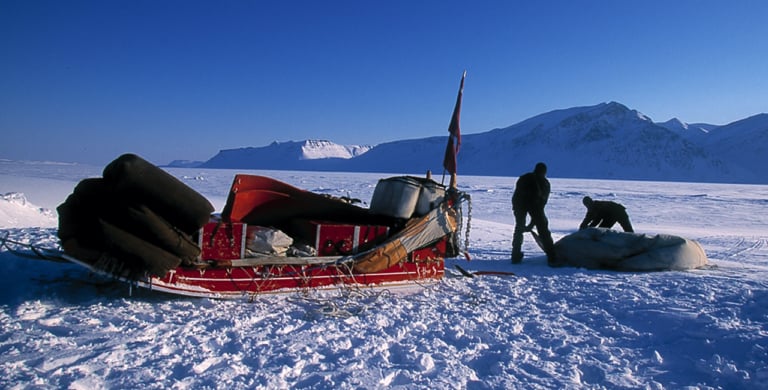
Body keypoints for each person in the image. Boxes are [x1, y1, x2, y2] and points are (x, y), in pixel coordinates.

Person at [511, 162, 556, 264]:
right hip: (535, 206)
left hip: (519, 206)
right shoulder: (544, 183)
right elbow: (541, 204)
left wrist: (517, 211)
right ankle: (552, 257)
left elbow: (516, 195)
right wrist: (532, 223)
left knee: (519, 229)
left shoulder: (523, 178)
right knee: (543, 230)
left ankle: (515, 256)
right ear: (544, 172)